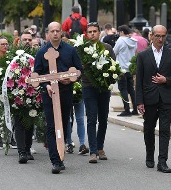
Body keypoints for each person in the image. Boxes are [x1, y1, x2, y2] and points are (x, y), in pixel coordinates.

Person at [34, 21, 82, 174]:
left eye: (57, 31)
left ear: (62, 32)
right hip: (49, 93)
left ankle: (61, 155)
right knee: (51, 126)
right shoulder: (41, 52)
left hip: (65, 91)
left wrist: (70, 79)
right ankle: (55, 160)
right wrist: (46, 85)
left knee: (64, 123)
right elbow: (37, 75)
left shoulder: (70, 50)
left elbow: (79, 71)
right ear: (48, 33)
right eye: (52, 31)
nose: (55, 33)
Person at [136, 25, 171, 173]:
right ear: (151, 36)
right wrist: (139, 101)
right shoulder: (143, 55)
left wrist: (166, 80)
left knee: (164, 130)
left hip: (166, 98)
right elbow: (140, 81)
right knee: (149, 129)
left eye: (163, 36)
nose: (160, 39)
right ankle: (150, 155)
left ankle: (162, 161)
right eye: (157, 36)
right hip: (149, 98)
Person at [82, 22, 115, 163]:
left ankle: (100, 147)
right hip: (88, 87)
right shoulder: (82, 49)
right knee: (91, 118)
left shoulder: (107, 48)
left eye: (95, 31)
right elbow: (79, 67)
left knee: (103, 118)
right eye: (90, 32)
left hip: (103, 87)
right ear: (86, 34)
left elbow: (114, 65)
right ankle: (93, 151)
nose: (92, 34)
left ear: (100, 32)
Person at [114, 25, 138, 116]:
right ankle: (135, 109)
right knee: (131, 89)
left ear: (122, 32)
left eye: (119, 32)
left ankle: (127, 109)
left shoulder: (120, 40)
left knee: (123, 89)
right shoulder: (133, 41)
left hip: (121, 68)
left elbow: (114, 52)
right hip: (130, 68)